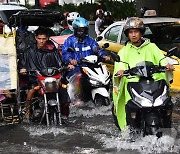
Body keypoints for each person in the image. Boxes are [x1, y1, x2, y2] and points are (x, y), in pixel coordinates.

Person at [112, 17, 174, 130]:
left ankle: (167, 126)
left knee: (167, 103)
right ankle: (130, 129)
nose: (133, 35)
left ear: (141, 32)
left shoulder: (152, 47)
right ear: (127, 34)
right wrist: (120, 71)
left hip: (153, 81)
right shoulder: (124, 51)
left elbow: (161, 59)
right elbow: (120, 64)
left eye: (136, 31)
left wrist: (167, 65)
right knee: (130, 106)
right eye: (131, 32)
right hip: (134, 83)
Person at [19, 26, 73, 124]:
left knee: (63, 89)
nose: (41, 41)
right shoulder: (28, 52)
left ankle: (65, 113)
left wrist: (67, 66)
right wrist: (23, 69)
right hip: (36, 79)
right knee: (31, 91)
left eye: (44, 39)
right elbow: (22, 64)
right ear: (35, 38)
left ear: (47, 39)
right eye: (39, 39)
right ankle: (27, 113)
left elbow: (60, 63)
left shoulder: (52, 51)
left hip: (51, 78)